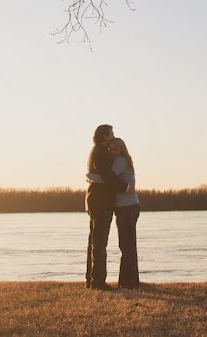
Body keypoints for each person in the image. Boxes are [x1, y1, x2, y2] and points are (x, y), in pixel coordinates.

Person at [85, 124, 128, 290]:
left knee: (96, 241)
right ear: (104, 136)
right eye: (111, 134)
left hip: (96, 201)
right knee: (100, 242)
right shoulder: (101, 152)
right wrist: (125, 187)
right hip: (101, 202)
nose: (113, 136)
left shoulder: (96, 151)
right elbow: (108, 176)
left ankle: (92, 281)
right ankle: (98, 282)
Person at [109, 137, 140, 289]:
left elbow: (108, 177)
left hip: (126, 207)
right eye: (110, 149)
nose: (112, 152)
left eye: (115, 149)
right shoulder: (124, 160)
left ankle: (127, 282)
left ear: (121, 150)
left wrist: (90, 176)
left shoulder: (120, 161)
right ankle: (131, 281)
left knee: (125, 245)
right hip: (130, 205)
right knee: (129, 245)